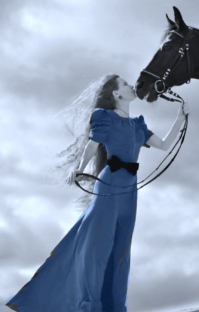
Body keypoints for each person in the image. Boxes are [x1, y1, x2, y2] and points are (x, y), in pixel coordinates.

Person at [5, 74, 189, 312]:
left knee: (122, 251)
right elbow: (93, 145)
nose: (131, 85)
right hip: (109, 187)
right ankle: (90, 307)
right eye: (124, 84)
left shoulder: (137, 125)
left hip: (129, 193)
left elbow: (164, 144)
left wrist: (180, 118)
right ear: (116, 94)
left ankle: (116, 307)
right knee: (99, 250)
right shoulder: (104, 117)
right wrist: (79, 169)